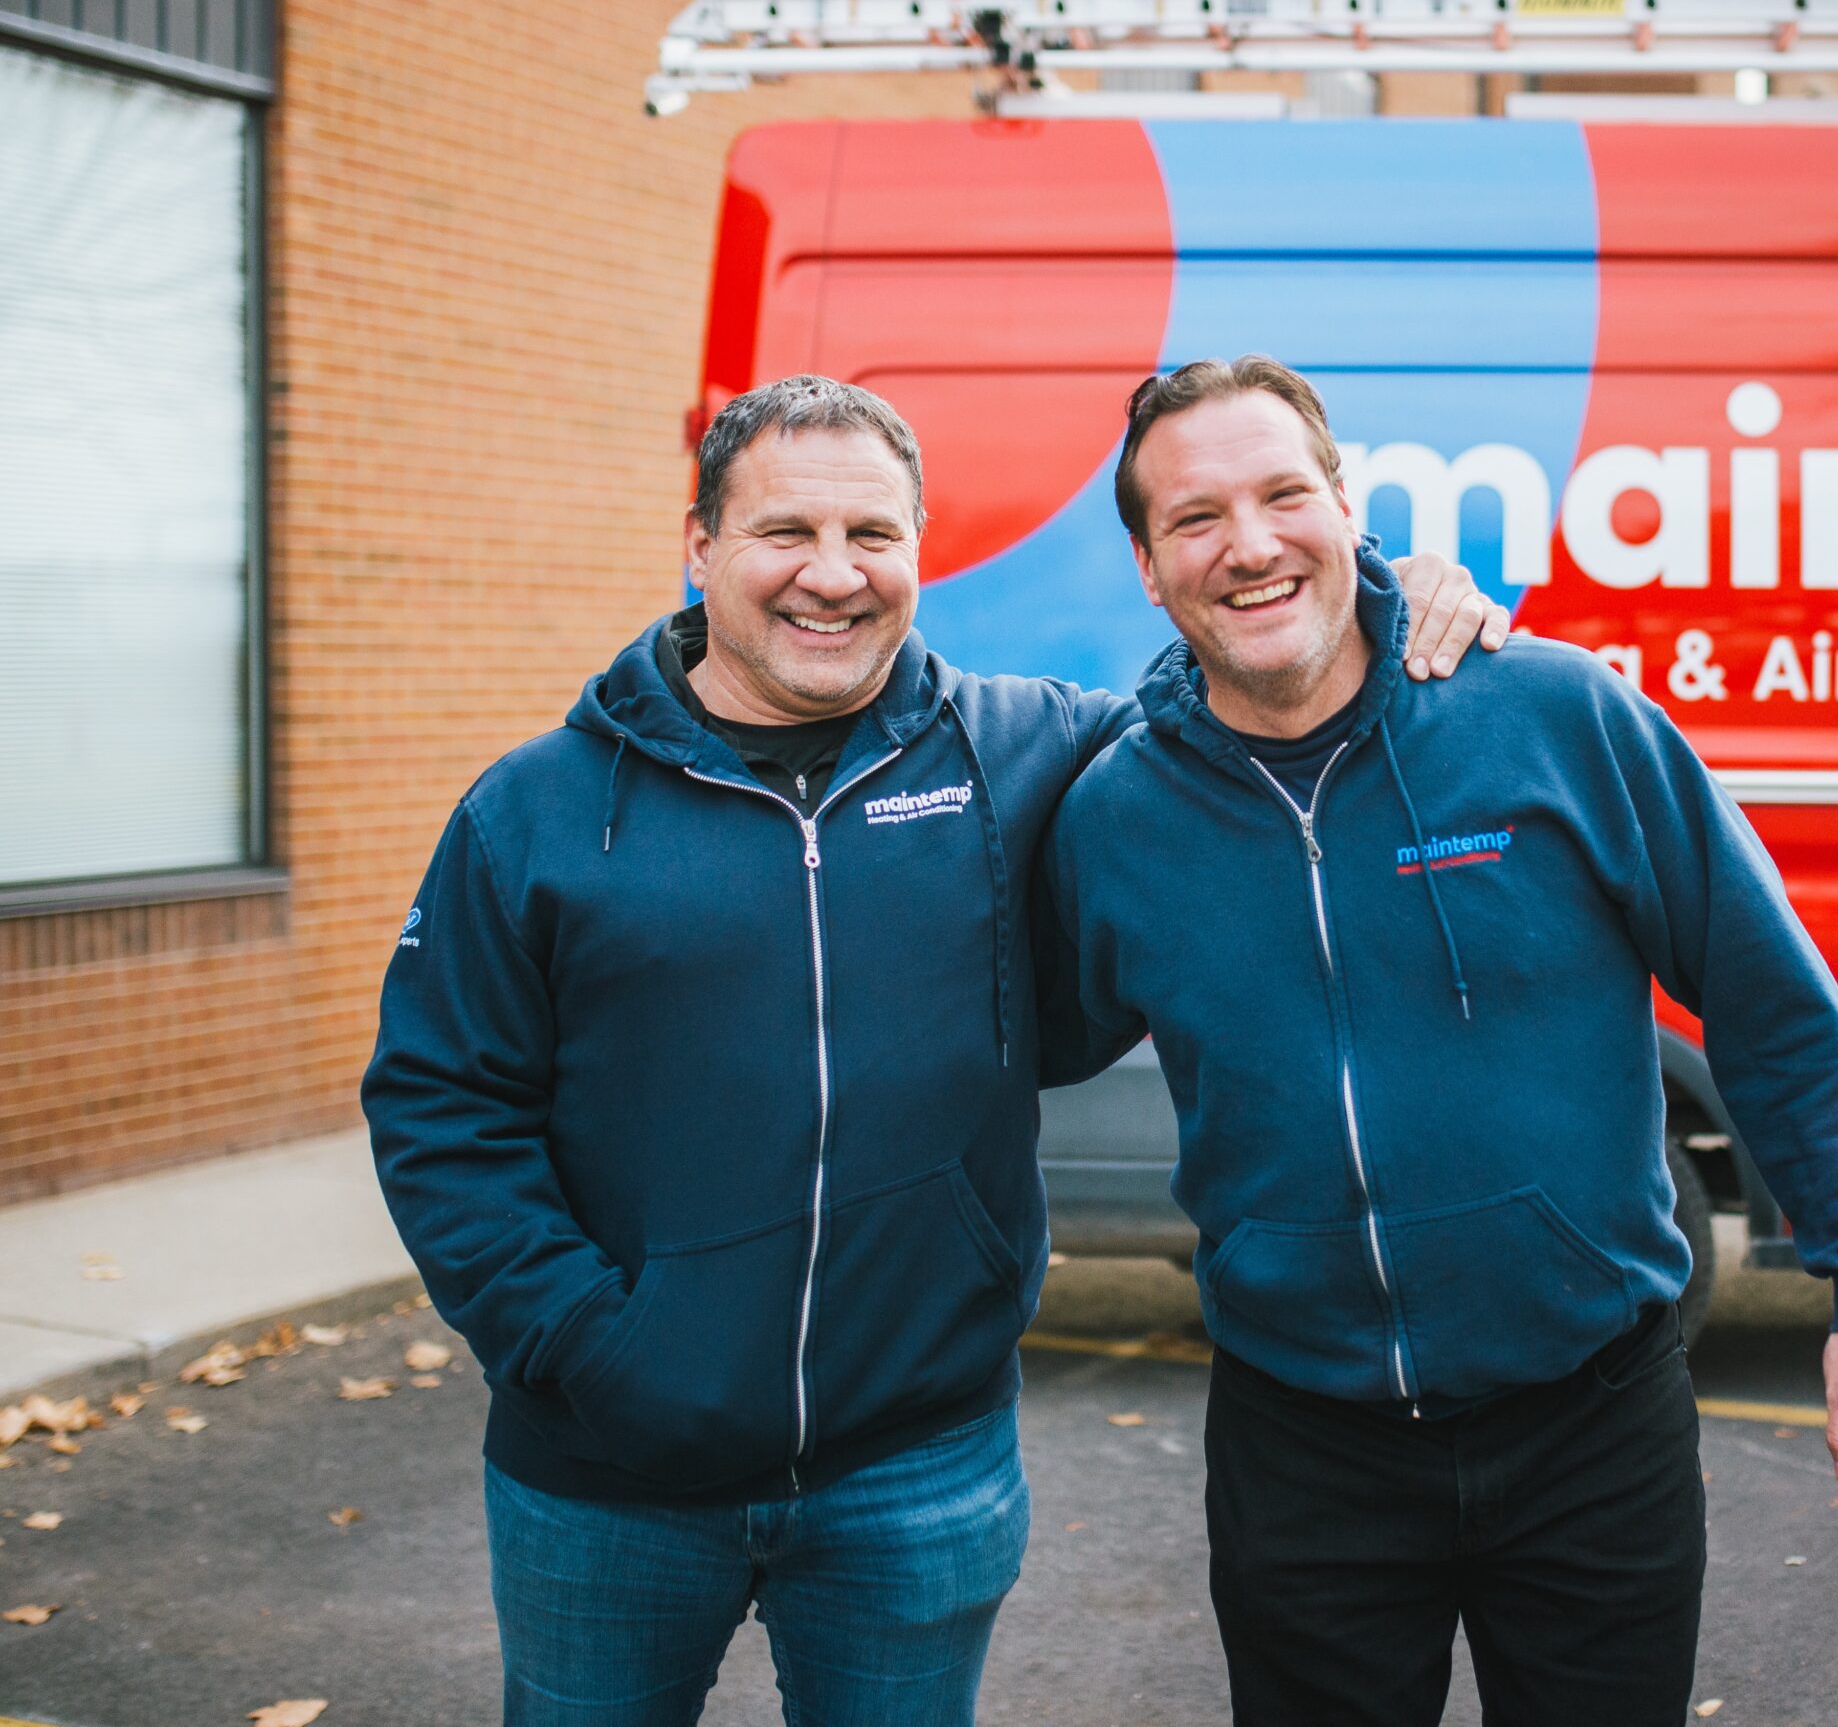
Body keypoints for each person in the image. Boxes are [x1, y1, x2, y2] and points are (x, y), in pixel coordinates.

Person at [358, 374, 1505, 1727]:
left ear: (920, 552)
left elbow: (1241, 681)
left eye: (875, 537)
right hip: (604, 1479)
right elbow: (442, 1109)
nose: (833, 578)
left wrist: (1391, 590)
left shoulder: (1028, 751)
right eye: (785, 533)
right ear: (699, 548)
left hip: (915, 1474)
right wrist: (588, 1349)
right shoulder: (534, 811)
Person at [1042, 356, 1838, 1727]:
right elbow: (1005, 1040)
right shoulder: (1118, 815)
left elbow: (1768, 997)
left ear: (1346, 508)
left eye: (1285, 494)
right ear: (1146, 564)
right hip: (1303, 1443)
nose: (1249, 544)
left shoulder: (1549, 715)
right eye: (1195, 517)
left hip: (1590, 1422)